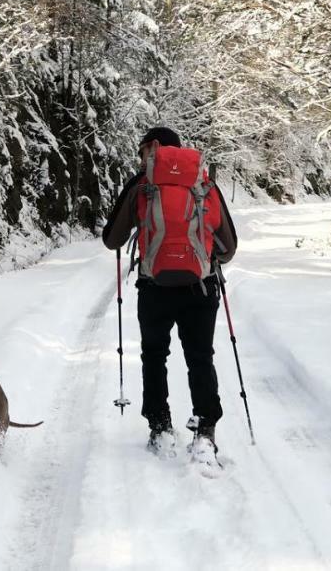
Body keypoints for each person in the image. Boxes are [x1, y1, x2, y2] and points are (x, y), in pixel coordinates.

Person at [102, 126, 237, 462]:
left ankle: (160, 428)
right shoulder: (202, 183)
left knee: (154, 355)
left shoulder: (141, 185)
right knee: (200, 357)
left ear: (151, 149)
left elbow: (112, 239)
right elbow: (229, 246)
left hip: (154, 288)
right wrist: (205, 255)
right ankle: (205, 432)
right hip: (200, 287)